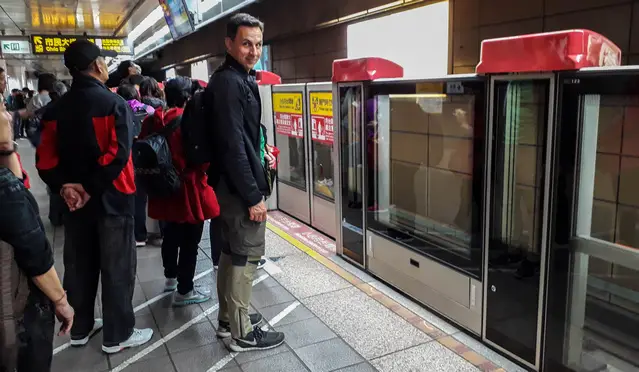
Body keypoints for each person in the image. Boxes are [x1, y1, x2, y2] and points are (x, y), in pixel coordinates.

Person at [36, 39, 153, 354]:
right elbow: (118, 155)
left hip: (74, 205)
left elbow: (44, 160)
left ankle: (80, 329)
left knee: (80, 265)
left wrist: (67, 187)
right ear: (98, 65)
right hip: (113, 200)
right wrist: (89, 187)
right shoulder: (113, 105)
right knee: (117, 268)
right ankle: (118, 335)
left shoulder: (54, 111)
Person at [206, 13, 283, 352]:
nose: (253, 51)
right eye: (246, 43)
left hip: (231, 184)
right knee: (246, 258)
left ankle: (228, 321)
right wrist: (253, 196)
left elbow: (244, 139)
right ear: (229, 44)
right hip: (238, 189)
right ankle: (241, 334)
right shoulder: (230, 83)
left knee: (231, 252)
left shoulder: (239, 78)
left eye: (258, 44)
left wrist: (261, 151)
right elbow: (231, 145)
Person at [0, 101, 74, 372]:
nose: (9, 115)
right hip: (15, 313)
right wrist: (60, 301)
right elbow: (34, 253)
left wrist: (7, 150)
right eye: (1, 111)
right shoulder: (5, 192)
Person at [140, 76, 220, 305]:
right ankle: (185, 291)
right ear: (187, 98)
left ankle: (170, 279)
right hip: (186, 189)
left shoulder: (153, 118)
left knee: (169, 236)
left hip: (161, 187)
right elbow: (201, 159)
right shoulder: (189, 120)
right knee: (190, 242)